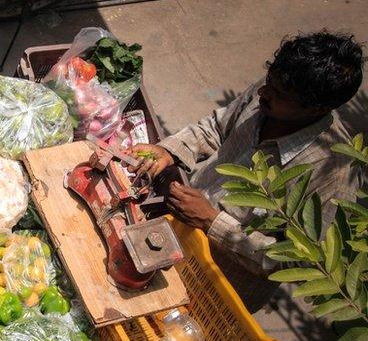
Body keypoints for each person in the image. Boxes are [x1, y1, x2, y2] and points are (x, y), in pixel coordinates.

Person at [130, 31, 364, 312]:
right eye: (269, 82)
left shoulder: (335, 174)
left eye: (279, 94)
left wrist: (212, 221)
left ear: (317, 108)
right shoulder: (267, 93)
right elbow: (217, 127)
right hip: (175, 230)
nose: (263, 93)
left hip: (221, 284)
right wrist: (171, 149)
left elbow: (297, 261)